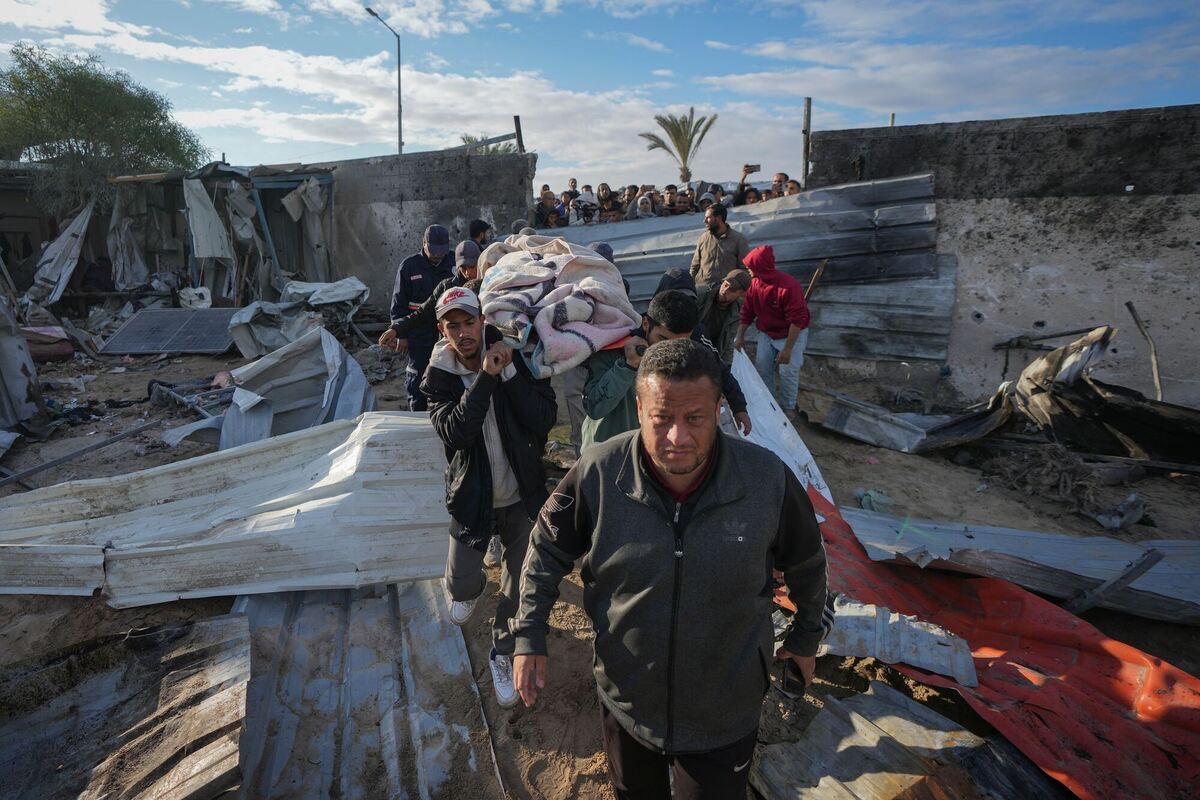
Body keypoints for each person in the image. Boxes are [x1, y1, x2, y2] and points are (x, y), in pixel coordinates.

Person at [511, 337, 831, 799]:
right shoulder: (599, 473)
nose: (678, 438)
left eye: (695, 418)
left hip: (725, 710)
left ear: (719, 408)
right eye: (661, 419)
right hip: (627, 700)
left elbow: (807, 561)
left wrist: (805, 638)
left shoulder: (766, 480)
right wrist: (530, 632)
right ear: (639, 408)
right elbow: (546, 547)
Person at [421, 286, 557, 708]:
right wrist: (485, 377)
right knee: (459, 588)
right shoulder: (438, 378)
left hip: (522, 498)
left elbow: (543, 418)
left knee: (518, 587)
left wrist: (510, 373)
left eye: (469, 322)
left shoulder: (516, 355)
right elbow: (458, 432)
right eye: (453, 326)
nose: (463, 333)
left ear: (483, 321)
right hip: (473, 500)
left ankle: (502, 650)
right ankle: (472, 584)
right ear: (442, 331)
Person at [580, 289, 749, 450]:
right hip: (608, 453)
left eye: (679, 342)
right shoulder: (615, 349)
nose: (670, 349)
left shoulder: (690, 349)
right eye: (662, 339)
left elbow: (718, 368)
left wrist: (738, 406)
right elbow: (595, 408)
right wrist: (628, 366)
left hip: (652, 455)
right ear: (646, 324)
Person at [380, 224, 453, 411]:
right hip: (418, 335)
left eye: (441, 251)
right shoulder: (409, 267)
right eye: (433, 250)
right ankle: (417, 415)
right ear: (423, 243)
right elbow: (398, 306)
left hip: (449, 334)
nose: (437, 255)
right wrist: (401, 334)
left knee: (449, 377)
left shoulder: (453, 263)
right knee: (417, 379)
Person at [735, 244, 810, 417]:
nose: (748, 271)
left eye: (750, 267)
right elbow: (748, 311)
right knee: (762, 368)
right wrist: (740, 336)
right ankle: (769, 404)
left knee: (788, 371)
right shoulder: (755, 284)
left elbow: (797, 320)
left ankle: (788, 407)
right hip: (767, 333)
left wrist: (788, 349)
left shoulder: (788, 287)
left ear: (760, 266)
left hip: (791, 334)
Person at [385, 240, 481, 343]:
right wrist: (397, 328)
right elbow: (422, 312)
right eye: (463, 268)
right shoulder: (446, 287)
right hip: (451, 344)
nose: (468, 273)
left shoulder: (487, 285)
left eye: (472, 267)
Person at [689, 202, 749, 288]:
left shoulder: (738, 240)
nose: (704, 221)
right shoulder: (703, 238)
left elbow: (744, 270)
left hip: (726, 293)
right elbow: (694, 266)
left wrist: (734, 287)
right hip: (702, 290)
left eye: (708, 217)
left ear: (719, 218)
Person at [697, 268, 751, 364]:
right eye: (725, 284)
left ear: (741, 294)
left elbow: (728, 344)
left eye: (731, 289)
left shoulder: (737, 312)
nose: (725, 290)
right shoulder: (701, 295)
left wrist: (726, 367)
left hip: (711, 353)